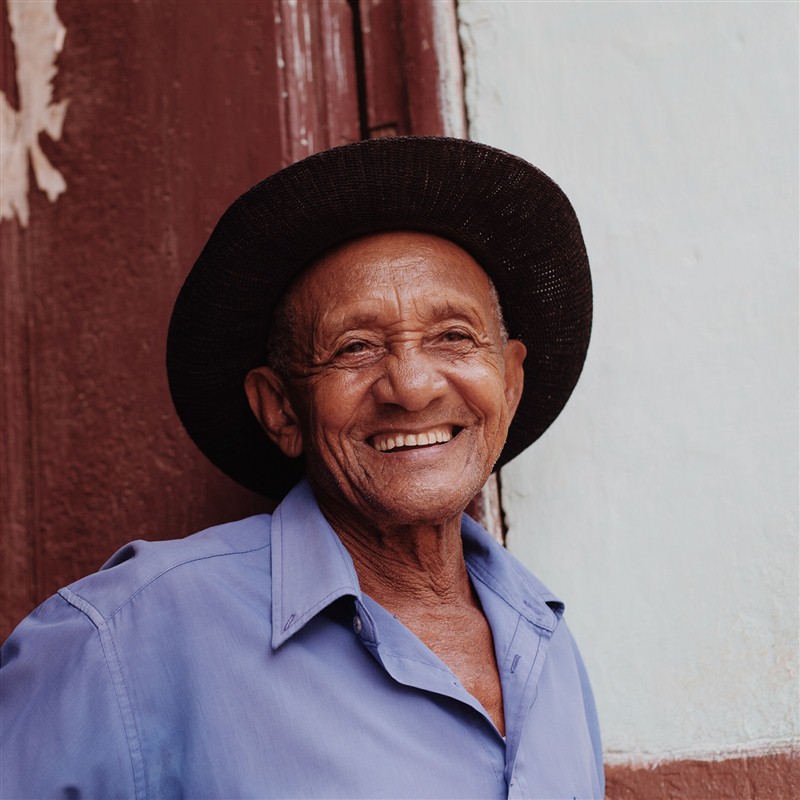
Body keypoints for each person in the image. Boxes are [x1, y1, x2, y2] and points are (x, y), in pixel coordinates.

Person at [1, 137, 603, 799]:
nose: (411, 385)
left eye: (454, 336)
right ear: (282, 409)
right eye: (356, 346)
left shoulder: (545, 642)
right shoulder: (134, 632)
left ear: (509, 383)